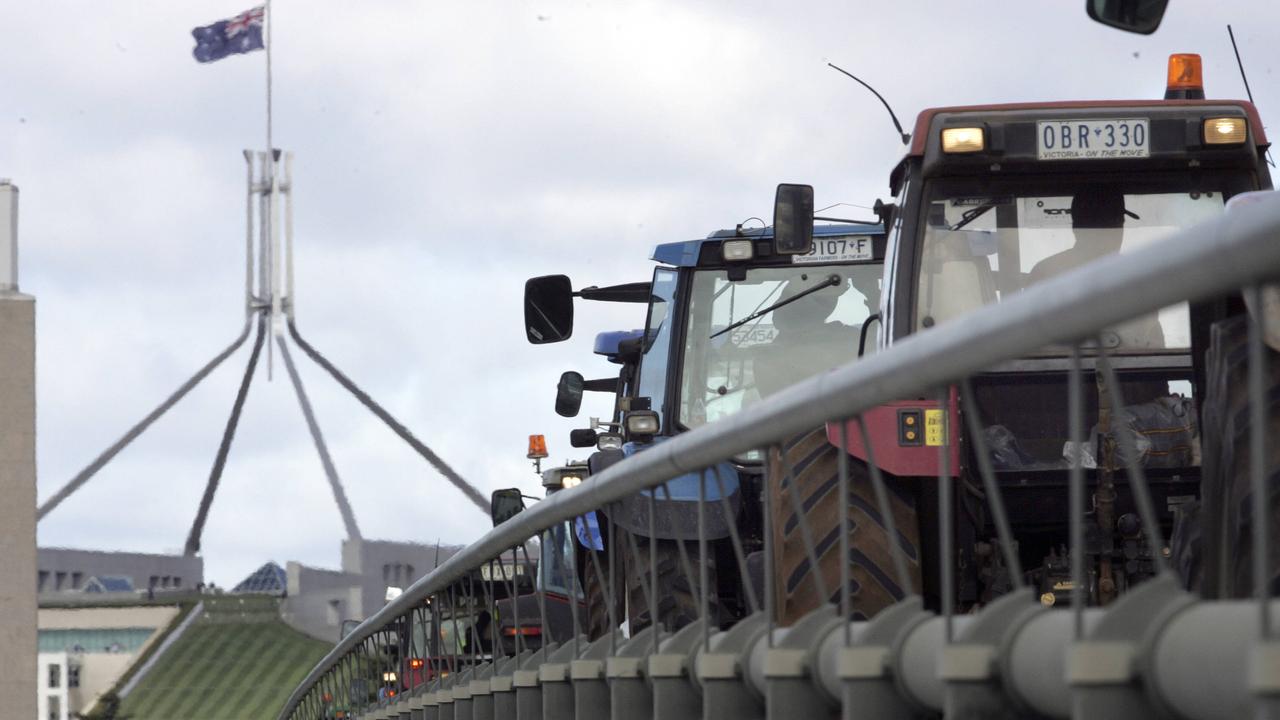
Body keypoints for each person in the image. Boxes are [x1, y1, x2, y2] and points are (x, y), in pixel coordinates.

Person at [1030, 188, 1165, 350]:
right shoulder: (1046, 273)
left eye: (1116, 224)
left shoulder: (1140, 276)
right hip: (1060, 372)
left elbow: (1155, 348)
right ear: (1077, 228)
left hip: (1130, 372)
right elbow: (1032, 345)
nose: (1114, 233)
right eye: (1107, 225)